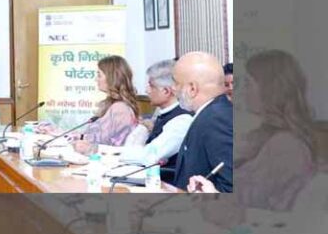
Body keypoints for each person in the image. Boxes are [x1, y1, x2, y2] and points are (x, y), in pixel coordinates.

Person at [189, 50, 316, 211]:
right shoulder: (260, 135)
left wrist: (213, 194)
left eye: (248, 84)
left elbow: (255, 203)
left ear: (270, 90)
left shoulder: (287, 145)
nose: (240, 91)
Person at [39, 55, 139, 154]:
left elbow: (100, 143)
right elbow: (91, 137)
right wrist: (58, 133)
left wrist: (65, 137)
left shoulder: (120, 109)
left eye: (99, 75)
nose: (96, 79)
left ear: (112, 78)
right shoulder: (112, 105)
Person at [172, 52, 233, 192]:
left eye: (176, 83)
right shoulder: (210, 113)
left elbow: (231, 186)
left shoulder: (217, 119)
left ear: (192, 88)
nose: (173, 89)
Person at [121, 59, 193, 170]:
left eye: (151, 86)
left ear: (166, 91)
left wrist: (110, 153)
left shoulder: (182, 120)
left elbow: (149, 155)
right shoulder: (162, 114)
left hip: (168, 183)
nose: (147, 90)